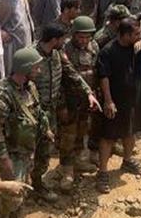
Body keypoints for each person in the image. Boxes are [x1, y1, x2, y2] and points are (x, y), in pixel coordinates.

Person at [0, 47, 48, 218]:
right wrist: (3, 158)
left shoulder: (29, 87)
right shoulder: (2, 95)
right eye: (36, 68)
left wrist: (45, 130)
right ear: (25, 68)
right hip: (12, 151)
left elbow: (36, 111)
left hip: (28, 147)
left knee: (23, 185)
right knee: (10, 193)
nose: (39, 71)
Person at [33, 22, 100, 199]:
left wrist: (88, 93)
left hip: (52, 110)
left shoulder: (57, 54)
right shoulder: (32, 56)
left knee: (48, 146)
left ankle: (38, 183)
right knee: (33, 149)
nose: (66, 40)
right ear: (55, 39)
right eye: (63, 38)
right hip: (34, 112)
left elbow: (71, 73)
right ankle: (32, 184)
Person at [94, 18, 141, 193]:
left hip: (134, 98)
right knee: (108, 136)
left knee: (130, 131)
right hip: (115, 101)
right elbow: (103, 77)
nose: (139, 36)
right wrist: (108, 101)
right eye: (136, 34)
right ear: (125, 34)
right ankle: (103, 172)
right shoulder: (108, 51)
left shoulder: (137, 46)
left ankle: (127, 160)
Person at [58, 16, 103, 191]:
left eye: (87, 37)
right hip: (70, 100)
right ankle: (67, 170)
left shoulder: (94, 47)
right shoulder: (64, 49)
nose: (84, 41)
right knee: (68, 135)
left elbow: (97, 71)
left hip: (88, 99)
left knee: (83, 130)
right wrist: (61, 105)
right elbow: (61, 78)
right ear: (74, 35)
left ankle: (78, 160)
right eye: (80, 37)